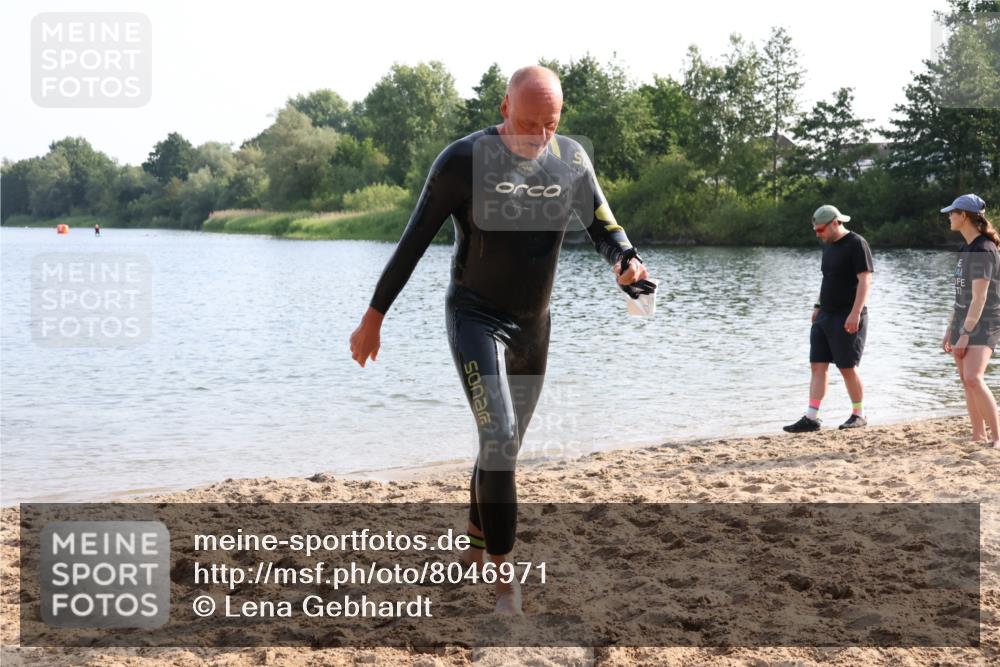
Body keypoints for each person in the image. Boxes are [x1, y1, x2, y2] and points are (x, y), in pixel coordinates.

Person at [349, 65, 652, 614]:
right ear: (503, 109)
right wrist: (374, 316)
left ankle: (473, 541)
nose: (538, 138)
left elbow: (605, 225)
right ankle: (503, 579)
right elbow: (414, 239)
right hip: (475, 316)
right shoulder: (462, 163)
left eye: (550, 125)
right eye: (527, 123)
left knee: (502, 446)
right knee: (499, 431)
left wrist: (626, 263)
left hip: (533, 324)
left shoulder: (571, 160)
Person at [784, 205, 874, 433]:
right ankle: (811, 417)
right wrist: (817, 305)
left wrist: (855, 313)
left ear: (835, 223)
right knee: (817, 365)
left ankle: (858, 414)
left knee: (847, 367)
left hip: (848, 315)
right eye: (815, 229)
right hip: (825, 315)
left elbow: (865, 281)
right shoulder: (828, 246)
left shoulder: (856, 243)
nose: (818, 234)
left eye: (821, 229)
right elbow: (828, 279)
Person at [940, 194, 1000, 447]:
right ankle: (978, 434)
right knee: (966, 380)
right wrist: (950, 329)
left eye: (952, 213)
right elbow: (960, 295)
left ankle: (997, 437)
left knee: (974, 377)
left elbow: (980, 298)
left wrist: (965, 333)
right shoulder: (966, 248)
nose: (949, 217)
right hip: (963, 323)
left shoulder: (983, 249)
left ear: (963, 215)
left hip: (983, 323)